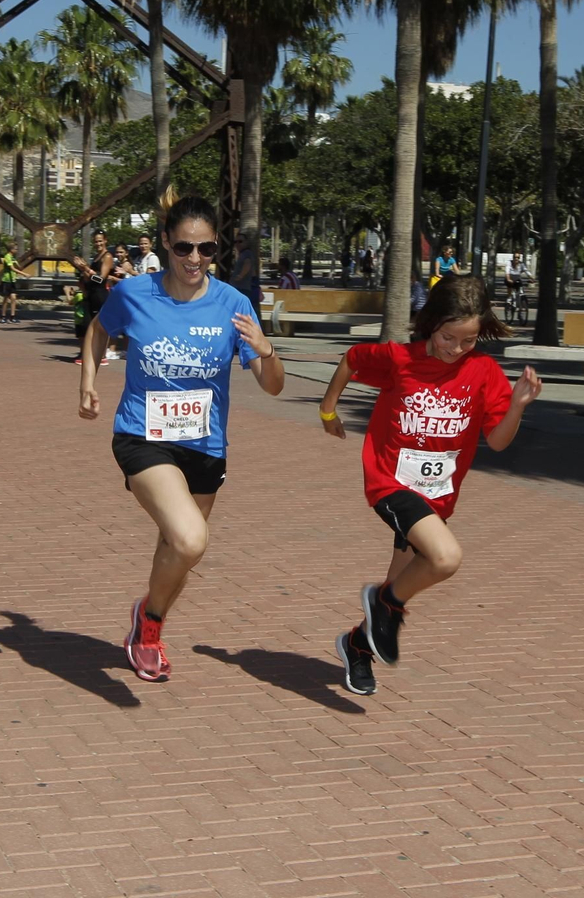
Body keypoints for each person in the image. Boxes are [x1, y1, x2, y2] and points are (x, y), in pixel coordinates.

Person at [78, 196, 285, 682]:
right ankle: (150, 623)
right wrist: (88, 381)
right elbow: (98, 330)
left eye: (206, 249)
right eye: (184, 248)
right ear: (167, 243)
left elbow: (273, 387)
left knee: (178, 549)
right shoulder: (135, 292)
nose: (195, 258)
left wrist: (267, 349)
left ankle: (148, 625)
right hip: (142, 435)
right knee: (191, 538)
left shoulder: (234, 305)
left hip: (205, 446)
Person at [318, 276, 541, 695]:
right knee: (445, 557)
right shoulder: (400, 358)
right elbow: (352, 359)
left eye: (468, 340)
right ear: (430, 324)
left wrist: (517, 406)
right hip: (391, 483)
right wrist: (328, 410)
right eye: (447, 337)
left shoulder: (483, 372)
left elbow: (497, 441)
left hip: (437, 496)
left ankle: (358, 645)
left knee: (401, 579)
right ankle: (385, 604)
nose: (455, 348)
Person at [74, 231, 120, 362]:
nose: (98, 243)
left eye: (100, 241)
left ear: (105, 241)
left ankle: (102, 356)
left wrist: (87, 269)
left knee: (99, 326)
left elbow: (100, 279)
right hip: (91, 295)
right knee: (87, 326)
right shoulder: (96, 257)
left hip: (100, 295)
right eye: (95, 241)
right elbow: (90, 277)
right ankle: (87, 354)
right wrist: (83, 270)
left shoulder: (107, 256)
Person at [0, 243, 30, 324]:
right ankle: (3, 316)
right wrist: (24, 274)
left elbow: (18, 267)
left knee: (13, 298)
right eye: (16, 249)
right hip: (7, 280)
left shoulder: (13, 258)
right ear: (11, 249)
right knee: (6, 299)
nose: (17, 250)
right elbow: (12, 268)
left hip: (13, 280)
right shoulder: (7, 256)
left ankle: (12, 317)